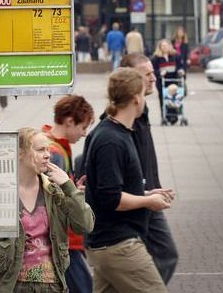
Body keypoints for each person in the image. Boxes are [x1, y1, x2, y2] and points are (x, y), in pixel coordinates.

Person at [82, 68, 171, 292]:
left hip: (108, 245)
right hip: (118, 244)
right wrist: (149, 202)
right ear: (135, 99)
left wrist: (149, 194)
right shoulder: (111, 140)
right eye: (142, 94)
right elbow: (111, 198)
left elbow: (113, 188)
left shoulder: (117, 133)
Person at [0, 128, 94, 292]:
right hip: (13, 286)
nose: (47, 155)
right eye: (40, 150)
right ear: (20, 153)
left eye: (47, 150)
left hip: (52, 287)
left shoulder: (54, 191)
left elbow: (85, 226)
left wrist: (69, 187)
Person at [120, 53, 179, 283]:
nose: (154, 78)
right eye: (148, 74)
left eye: (153, 72)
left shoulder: (142, 112)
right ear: (132, 80)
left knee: (165, 254)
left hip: (149, 196)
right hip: (136, 200)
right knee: (164, 254)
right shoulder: (125, 118)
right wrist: (145, 194)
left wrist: (156, 186)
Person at [42, 95, 95, 293]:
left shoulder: (55, 145)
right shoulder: (54, 152)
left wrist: (72, 187)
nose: (84, 134)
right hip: (64, 241)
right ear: (70, 121)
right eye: (83, 127)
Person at [151, 38, 178, 120]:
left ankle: (173, 115)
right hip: (161, 81)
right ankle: (164, 115)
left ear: (169, 46)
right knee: (163, 97)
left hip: (173, 80)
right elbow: (153, 70)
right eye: (162, 46)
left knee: (173, 97)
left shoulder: (175, 56)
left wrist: (181, 71)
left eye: (166, 45)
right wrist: (160, 73)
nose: (164, 47)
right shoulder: (156, 58)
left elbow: (180, 67)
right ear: (160, 47)